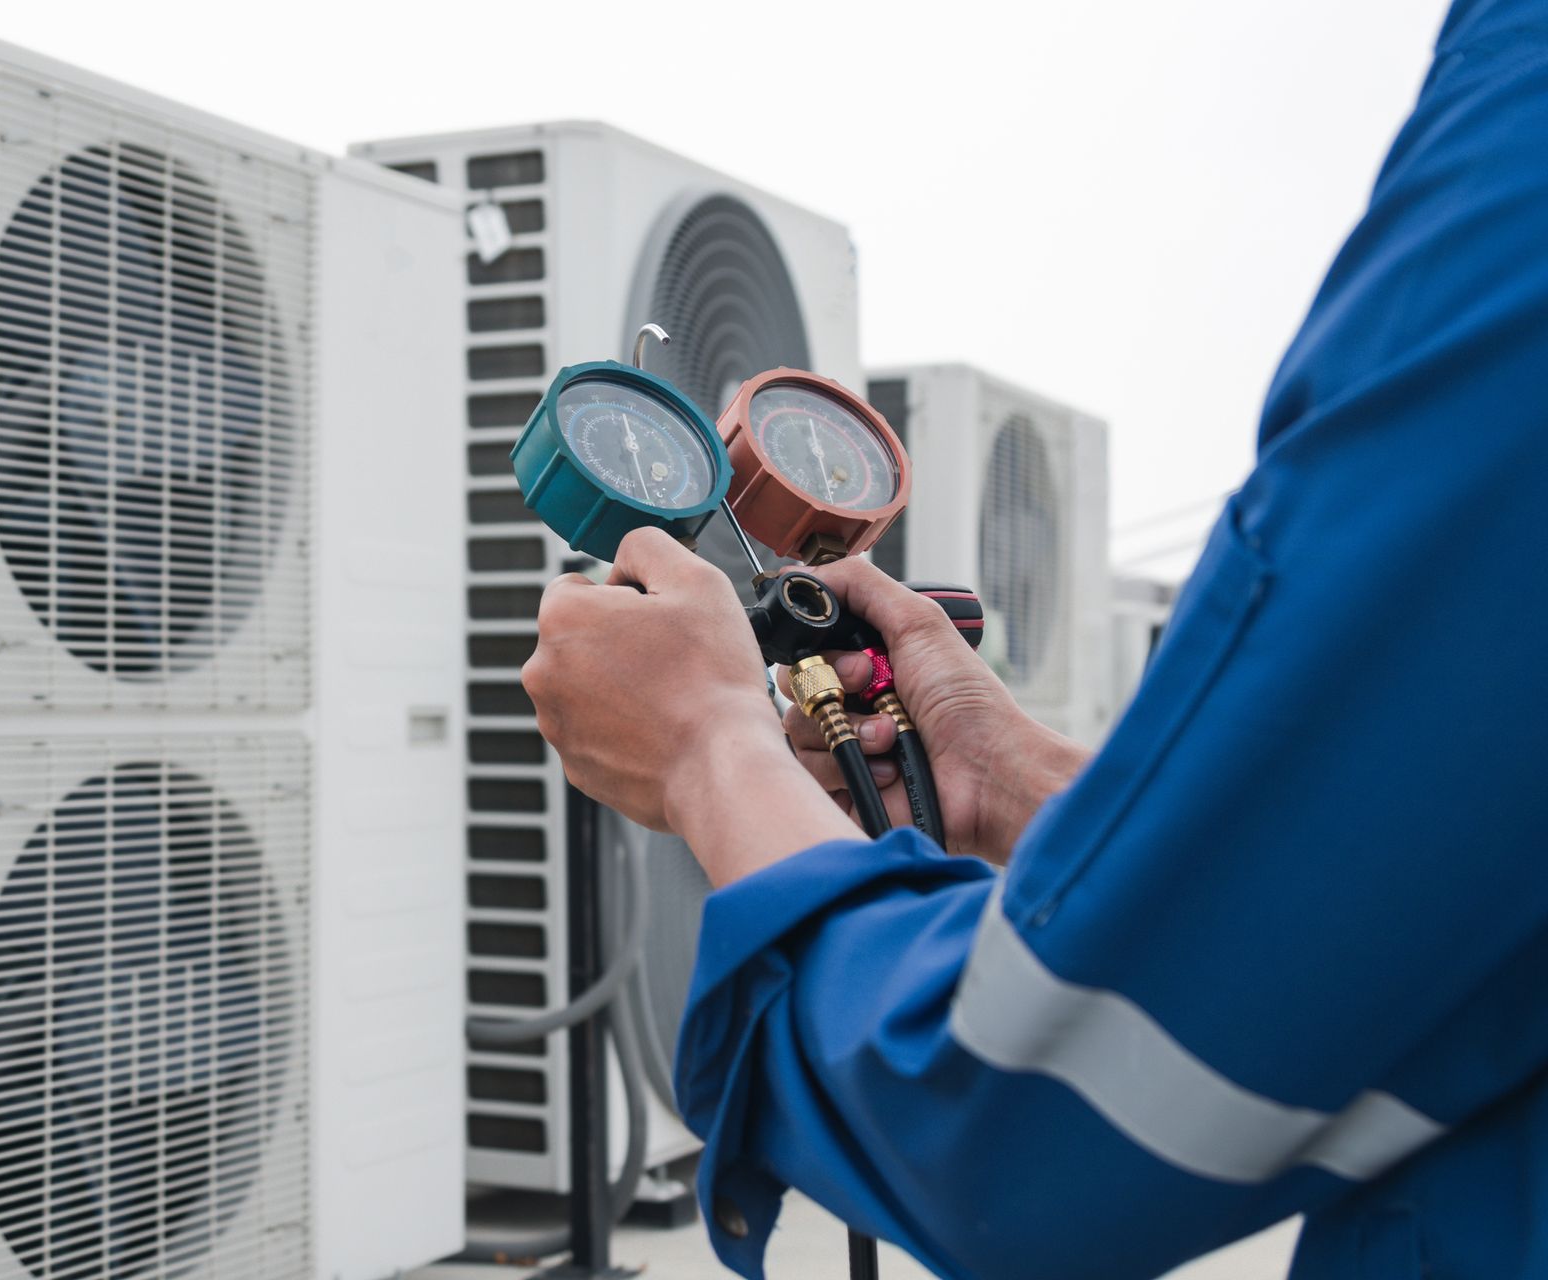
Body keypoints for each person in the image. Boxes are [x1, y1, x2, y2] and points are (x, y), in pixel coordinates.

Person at [518, 1, 1548, 1276]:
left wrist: (710, 751)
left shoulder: (1520, 185)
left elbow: (1015, 1125)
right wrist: (1018, 782)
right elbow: (1404, 879)